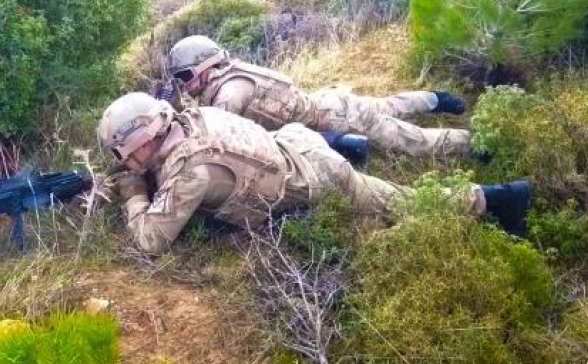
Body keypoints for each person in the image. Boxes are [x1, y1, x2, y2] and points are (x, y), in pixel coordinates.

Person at [98, 92, 530, 255]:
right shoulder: (195, 117)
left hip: (313, 179)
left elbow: (152, 240)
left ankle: (502, 198)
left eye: (126, 155)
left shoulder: (190, 170)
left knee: (404, 205)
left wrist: (134, 193)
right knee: (397, 195)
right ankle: (500, 194)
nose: (126, 163)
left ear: (146, 140)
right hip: (298, 144)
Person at [164, 35, 471, 159]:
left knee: (414, 141)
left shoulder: (229, 95)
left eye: (185, 77)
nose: (183, 85)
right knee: (389, 105)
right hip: (330, 103)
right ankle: (434, 99)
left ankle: (475, 144)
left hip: (340, 118)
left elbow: (223, 139)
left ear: (205, 68)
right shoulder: (232, 75)